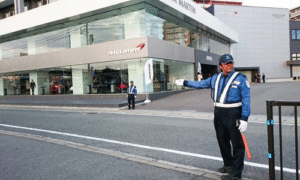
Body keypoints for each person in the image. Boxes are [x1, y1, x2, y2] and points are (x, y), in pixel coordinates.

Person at [175, 54, 251, 180]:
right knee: (222, 140)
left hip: (234, 113)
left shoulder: (241, 78)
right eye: (226, 64)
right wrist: (185, 82)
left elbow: (246, 99)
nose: (229, 66)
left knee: (237, 144)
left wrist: (244, 118)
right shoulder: (215, 78)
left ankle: (236, 173)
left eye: (231, 63)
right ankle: (228, 164)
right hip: (219, 113)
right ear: (220, 66)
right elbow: (200, 84)